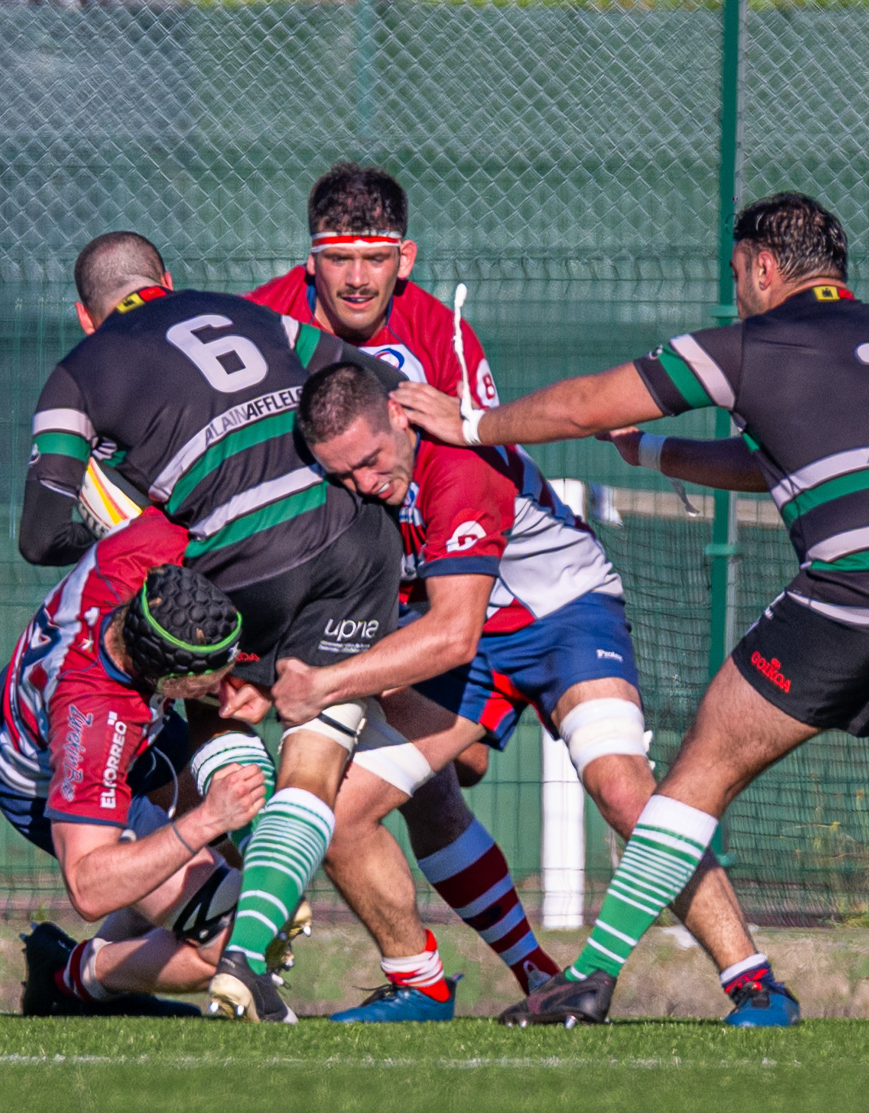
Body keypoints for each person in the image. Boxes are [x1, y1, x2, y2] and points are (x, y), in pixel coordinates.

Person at [392, 191, 869, 1029]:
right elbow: (783, 461)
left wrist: (473, 424)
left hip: (866, 576)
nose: (737, 291)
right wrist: (658, 455)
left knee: (701, 771)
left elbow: (585, 405)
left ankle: (589, 978)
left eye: (736, 274)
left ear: (763, 267)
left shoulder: (751, 344)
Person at [276, 361, 801, 1027]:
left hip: (565, 620)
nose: (363, 483)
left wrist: (323, 684)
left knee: (624, 793)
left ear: (401, 416)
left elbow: (452, 636)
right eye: (344, 474)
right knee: (340, 816)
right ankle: (435, 985)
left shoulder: (456, 468)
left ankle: (757, 985)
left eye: (370, 460)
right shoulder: (360, 482)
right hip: (471, 637)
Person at [20, 231, 407, 1021]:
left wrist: (124, 526)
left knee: (207, 695)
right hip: (359, 531)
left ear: (85, 316)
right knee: (316, 748)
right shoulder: (249, 312)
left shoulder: (78, 371)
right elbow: (369, 379)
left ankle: (246, 906)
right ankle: (254, 923)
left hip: (240, 562)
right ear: (167, 279)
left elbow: (39, 534)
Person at [246, 165, 558, 1020]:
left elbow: (475, 468)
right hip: (306, 582)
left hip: (428, 587)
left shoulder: (442, 337)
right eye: (338, 258)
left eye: (374, 258)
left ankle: (483, 978)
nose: (356, 278)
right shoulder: (262, 323)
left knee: (409, 786)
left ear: (405, 259)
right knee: (386, 784)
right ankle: (510, 976)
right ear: (309, 259)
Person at [0, 510, 265, 1015]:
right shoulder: (96, 724)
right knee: (235, 942)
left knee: (247, 863)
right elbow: (89, 887)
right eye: (210, 683)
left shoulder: (142, 553)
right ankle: (69, 978)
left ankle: (117, 951)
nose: (224, 697)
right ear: (168, 682)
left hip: (113, 729)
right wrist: (208, 820)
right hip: (46, 777)